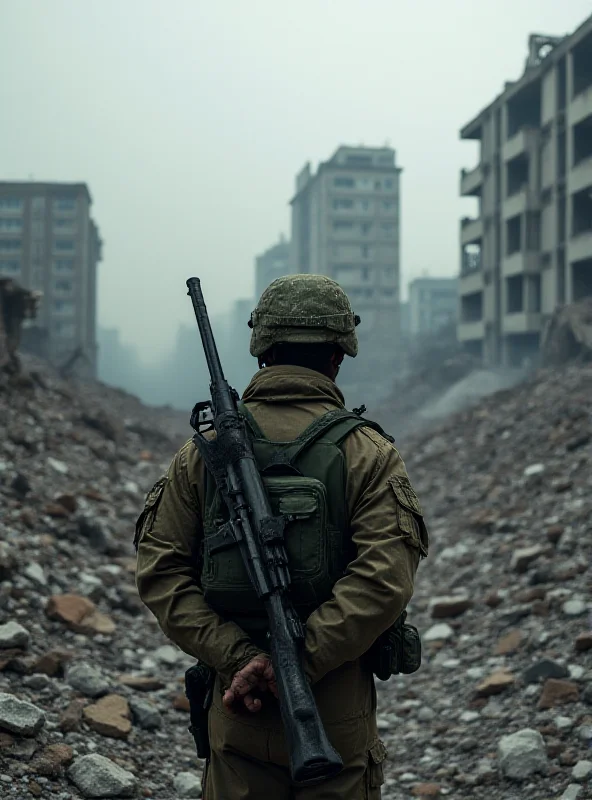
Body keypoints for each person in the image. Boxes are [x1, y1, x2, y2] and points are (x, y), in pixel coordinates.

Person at [135, 274, 429, 799]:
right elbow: (384, 580)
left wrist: (239, 659)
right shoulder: (368, 453)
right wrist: (301, 660)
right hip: (335, 709)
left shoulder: (200, 454)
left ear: (261, 348)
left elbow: (161, 572)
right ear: (340, 355)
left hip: (235, 708)